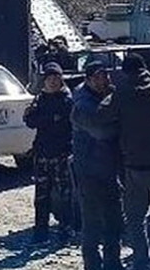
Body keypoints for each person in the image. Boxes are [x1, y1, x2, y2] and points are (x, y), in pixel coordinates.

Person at [114, 53, 150, 270]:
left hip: (135, 163)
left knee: (135, 217)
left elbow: (108, 117)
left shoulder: (122, 93)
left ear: (126, 71)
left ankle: (141, 260)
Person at [72, 60, 123, 270]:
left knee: (114, 219)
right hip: (88, 170)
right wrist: (120, 126)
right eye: (97, 77)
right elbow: (100, 132)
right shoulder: (82, 103)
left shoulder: (111, 94)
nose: (102, 81)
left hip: (109, 169)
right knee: (92, 221)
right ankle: (92, 264)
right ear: (88, 80)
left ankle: (113, 262)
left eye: (105, 76)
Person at [24, 62, 75, 247]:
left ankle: (65, 231)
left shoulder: (67, 99)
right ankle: (41, 232)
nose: (53, 81)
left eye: (56, 78)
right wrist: (50, 118)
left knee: (64, 195)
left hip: (62, 153)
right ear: (44, 80)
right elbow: (29, 120)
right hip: (42, 153)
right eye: (49, 78)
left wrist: (47, 119)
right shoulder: (39, 99)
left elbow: (68, 122)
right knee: (41, 196)